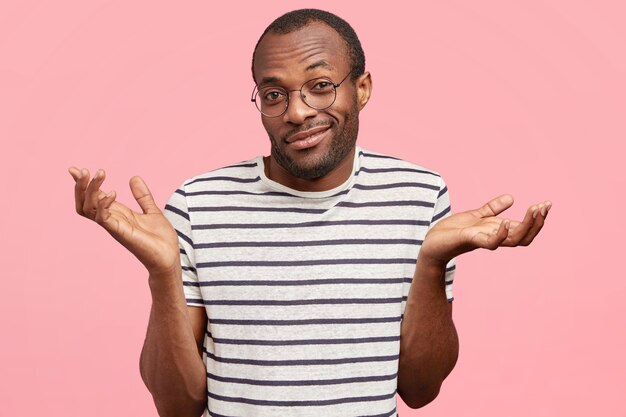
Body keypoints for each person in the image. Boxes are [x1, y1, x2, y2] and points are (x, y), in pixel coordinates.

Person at [68, 9, 550, 417]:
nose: (296, 112)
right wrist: (162, 272)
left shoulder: (419, 194)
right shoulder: (199, 203)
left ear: (361, 88)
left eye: (320, 85)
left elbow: (420, 390)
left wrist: (432, 262)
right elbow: (178, 408)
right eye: (274, 94)